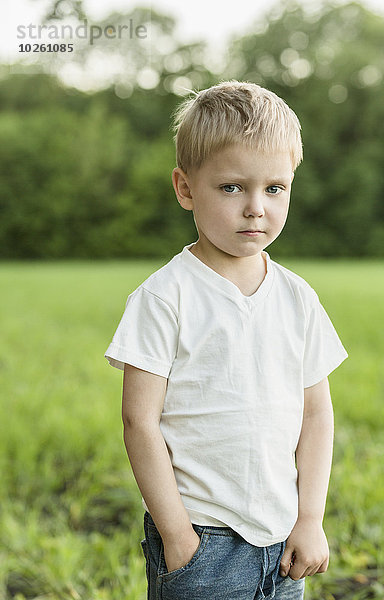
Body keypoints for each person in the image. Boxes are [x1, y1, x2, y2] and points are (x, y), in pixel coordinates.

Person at [104, 80, 348, 600]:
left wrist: (309, 518)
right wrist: (177, 535)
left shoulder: (298, 298)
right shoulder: (166, 296)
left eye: (275, 188)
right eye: (232, 187)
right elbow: (139, 421)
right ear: (186, 188)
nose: (256, 207)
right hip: (204, 539)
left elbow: (316, 415)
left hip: (283, 539)